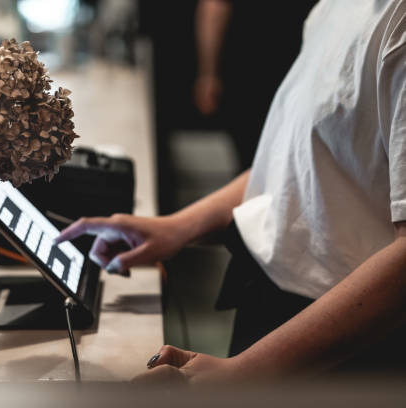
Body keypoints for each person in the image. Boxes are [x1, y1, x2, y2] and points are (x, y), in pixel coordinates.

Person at [56, 0, 406, 383]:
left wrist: (247, 371)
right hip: (275, 311)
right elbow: (292, 164)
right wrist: (176, 227)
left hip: (332, 345)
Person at [194, 0, 316, 171]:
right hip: (299, 71)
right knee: (293, 160)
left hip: (248, 72)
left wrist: (208, 74)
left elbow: (214, 8)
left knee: (253, 163)